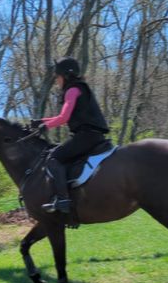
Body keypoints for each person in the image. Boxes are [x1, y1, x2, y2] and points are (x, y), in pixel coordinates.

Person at [31, 56, 110, 214]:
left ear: (66, 75)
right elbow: (61, 116)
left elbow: (63, 118)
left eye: (58, 77)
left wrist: (45, 126)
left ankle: (63, 199)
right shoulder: (80, 88)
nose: (57, 81)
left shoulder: (72, 90)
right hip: (93, 136)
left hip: (86, 136)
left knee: (53, 159)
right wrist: (40, 121)